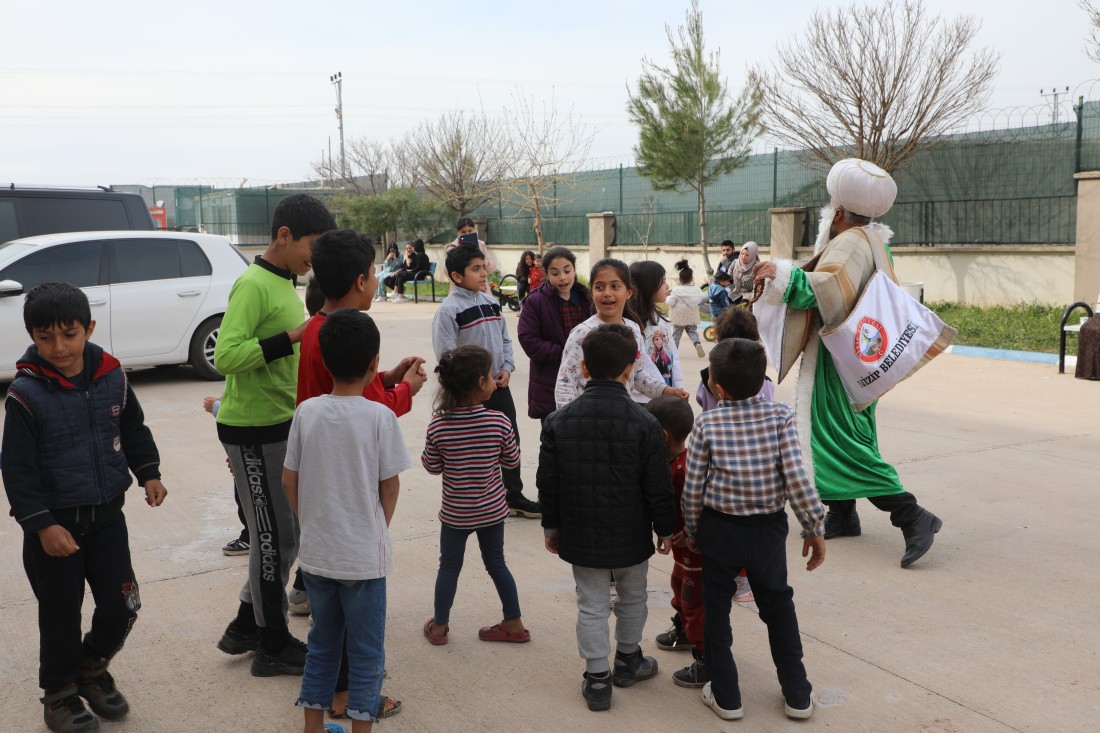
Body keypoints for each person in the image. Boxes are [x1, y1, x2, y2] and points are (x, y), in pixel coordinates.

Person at [754, 158, 943, 568]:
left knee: (838, 441)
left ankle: (912, 516)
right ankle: (842, 514)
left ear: (838, 212)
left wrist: (780, 276)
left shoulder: (849, 241)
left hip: (838, 361)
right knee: (851, 435)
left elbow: (827, 289)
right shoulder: (874, 240)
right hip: (864, 358)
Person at [2, 281, 168, 733]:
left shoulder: (113, 376)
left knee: (124, 603)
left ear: (88, 328)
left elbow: (133, 429)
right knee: (59, 616)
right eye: (45, 337)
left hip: (108, 517)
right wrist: (41, 525)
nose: (59, 347)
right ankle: (58, 695)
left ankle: (91, 666)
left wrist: (148, 471)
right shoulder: (25, 394)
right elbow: (17, 469)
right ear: (32, 336)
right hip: (56, 529)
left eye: (69, 334)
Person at [298, 228, 426, 721]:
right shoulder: (349, 326)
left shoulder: (318, 328)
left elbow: (348, 389)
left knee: (326, 625)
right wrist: (407, 388)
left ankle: (326, 697)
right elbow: (374, 413)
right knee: (356, 623)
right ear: (359, 280)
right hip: (354, 504)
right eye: (374, 274)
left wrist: (385, 376)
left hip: (322, 498)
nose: (377, 281)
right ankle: (349, 698)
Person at [213, 192, 335, 677]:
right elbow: (226, 356)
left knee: (284, 536)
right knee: (272, 538)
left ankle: (246, 624)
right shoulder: (253, 284)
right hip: (251, 430)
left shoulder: (285, 282)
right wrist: (291, 338)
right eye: (312, 244)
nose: (315, 257)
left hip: (279, 425)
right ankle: (272, 644)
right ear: (284, 236)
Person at [681, 338, 826, 722]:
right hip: (767, 533)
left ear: (717, 387)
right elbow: (796, 477)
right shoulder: (779, 417)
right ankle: (798, 694)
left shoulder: (707, 423)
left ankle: (727, 698)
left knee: (716, 613)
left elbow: (693, 487)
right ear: (763, 379)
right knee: (778, 606)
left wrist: (694, 531)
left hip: (719, 530)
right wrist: (813, 525)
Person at [284, 308, 412, 733]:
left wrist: (312, 522)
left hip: (318, 556)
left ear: (322, 360)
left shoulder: (307, 412)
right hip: (363, 559)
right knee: (366, 651)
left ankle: (312, 727)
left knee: (321, 644)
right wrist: (376, 526)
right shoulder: (380, 416)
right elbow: (389, 487)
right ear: (375, 364)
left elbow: (290, 480)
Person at [537, 324, 675, 712]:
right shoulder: (645, 423)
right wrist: (665, 528)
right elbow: (657, 486)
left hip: (581, 535)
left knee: (592, 604)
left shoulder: (559, 422)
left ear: (582, 367)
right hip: (631, 535)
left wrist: (552, 527)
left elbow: (548, 482)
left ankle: (597, 679)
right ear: (632, 368)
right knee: (633, 598)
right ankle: (629, 660)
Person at [421, 345, 531, 647]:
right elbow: (511, 462)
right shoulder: (499, 422)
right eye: (490, 375)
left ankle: (440, 627)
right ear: (481, 383)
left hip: (456, 513)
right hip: (493, 509)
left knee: (449, 567)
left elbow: (431, 466)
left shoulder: (439, 425)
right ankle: (514, 623)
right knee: (497, 563)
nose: (495, 380)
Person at [432, 244, 542, 518]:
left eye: (483, 267)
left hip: (498, 387)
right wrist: (468, 385)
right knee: (474, 446)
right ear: (457, 276)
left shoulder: (491, 303)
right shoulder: (448, 311)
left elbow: (505, 340)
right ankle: (478, 499)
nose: (483, 273)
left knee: (509, 439)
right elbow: (446, 355)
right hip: (468, 394)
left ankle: (513, 496)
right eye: (475, 269)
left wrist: (506, 368)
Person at [554, 258, 690, 409]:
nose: (607, 293)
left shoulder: (633, 329)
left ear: (629, 292)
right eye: (599, 287)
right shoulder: (582, 333)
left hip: (621, 417)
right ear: (591, 293)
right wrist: (567, 423)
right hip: (585, 419)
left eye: (615, 286)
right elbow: (565, 383)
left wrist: (664, 390)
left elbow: (637, 373)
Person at [644, 396, 714, 689]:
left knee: (695, 602)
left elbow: (702, 508)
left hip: (696, 554)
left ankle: (706, 658)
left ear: (662, 435)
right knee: (678, 587)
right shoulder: (673, 462)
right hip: (682, 552)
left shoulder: (685, 470)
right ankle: (685, 630)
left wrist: (689, 534)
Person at [516, 246, 593, 421]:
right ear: (546, 274)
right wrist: (565, 354)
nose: (563, 277)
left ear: (574, 270)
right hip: (549, 381)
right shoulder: (536, 301)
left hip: (586, 380)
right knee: (553, 438)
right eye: (555, 273)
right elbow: (528, 339)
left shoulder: (587, 298)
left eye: (567, 271)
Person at [695, 307, 775, 412]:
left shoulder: (709, 379)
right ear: (754, 339)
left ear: (719, 338)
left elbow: (701, 399)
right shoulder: (764, 382)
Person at [202, 394, 249, 556]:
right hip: (251, 440)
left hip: (253, 438)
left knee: (250, 492)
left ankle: (252, 536)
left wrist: (216, 406)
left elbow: (247, 405)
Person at [629, 260, 682, 392]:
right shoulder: (631, 324)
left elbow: (673, 355)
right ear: (649, 285)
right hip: (642, 397)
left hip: (666, 390)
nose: (667, 286)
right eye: (663, 281)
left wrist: (678, 386)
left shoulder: (659, 320)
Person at [666, 259, 708, 356]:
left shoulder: (676, 290)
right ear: (691, 278)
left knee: (676, 335)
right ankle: (697, 344)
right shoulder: (696, 289)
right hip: (691, 315)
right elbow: (699, 300)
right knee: (692, 331)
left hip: (679, 316)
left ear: (680, 279)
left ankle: (674, 353)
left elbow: (670, 302)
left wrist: (667, 298)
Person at [445, 217, 495, 294]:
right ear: (458, 233)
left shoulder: (481, 245)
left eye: (470, 231)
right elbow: (447, 272)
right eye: (463, 232)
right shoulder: (452, 248)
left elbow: (491, 269)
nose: (467, 234)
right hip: (460, 292)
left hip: (481, 291)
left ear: (475, 230)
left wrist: (481, 259)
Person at [385, 240, 430, 304]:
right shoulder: (419, 254)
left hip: (420, 275)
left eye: (414, 246)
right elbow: (412, 267)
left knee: (400, 274)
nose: (414, 247)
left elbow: (419, 268)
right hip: (418, 273)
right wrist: (408, 259)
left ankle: (395, 292)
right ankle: (400, 298)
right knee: (400, 278)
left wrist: (411, 270)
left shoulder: (421, 255)